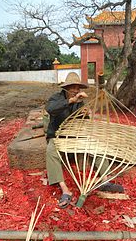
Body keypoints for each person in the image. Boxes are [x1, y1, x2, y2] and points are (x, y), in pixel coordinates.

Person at [46, 72, 124, 208]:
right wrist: (70, 101)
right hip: (58, 136)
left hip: (75, 136)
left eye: (77, 88)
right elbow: (50, 109)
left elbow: (84, 124)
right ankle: (64, 189)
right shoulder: (56, 99)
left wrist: (85, 115)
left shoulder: (81, 102)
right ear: (66, 88)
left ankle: (104, 180)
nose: (75, 91)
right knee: (51, 150)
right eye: (72, 87)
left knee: (97, 144)